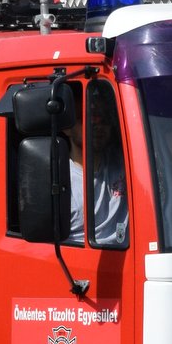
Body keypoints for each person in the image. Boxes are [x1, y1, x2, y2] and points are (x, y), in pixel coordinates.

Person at [67, 84, 129, 247]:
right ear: (67, 128)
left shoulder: (128, 162)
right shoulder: (59, 181)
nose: (97, 124)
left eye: (104, 118)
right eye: (87, 117)